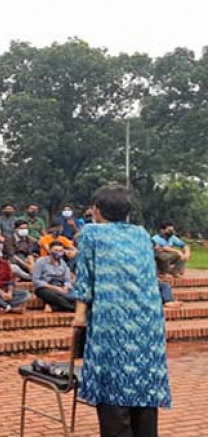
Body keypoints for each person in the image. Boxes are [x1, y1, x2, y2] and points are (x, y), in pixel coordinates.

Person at [71, 185, 170, 436]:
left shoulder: (91, 234)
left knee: (113, 385)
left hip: (112, 321)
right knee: (144, 385)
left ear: (96, 210)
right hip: (148, 322)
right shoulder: (141, 234)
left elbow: (85, 279)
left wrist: (80, 316)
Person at [32, 241, 75, 313]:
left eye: (61, 251)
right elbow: (36, 280)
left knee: (75, 293)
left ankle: (54, 306)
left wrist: (66, 287)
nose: (58, 252)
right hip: (46, 287)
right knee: (51, 295)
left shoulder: (63, 263)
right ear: (50, 250)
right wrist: (56, 288)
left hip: (60, 285)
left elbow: (67, 280)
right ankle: (73, 308)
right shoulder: (41, 262)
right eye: (56, 250)